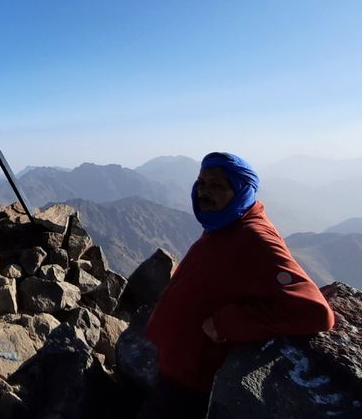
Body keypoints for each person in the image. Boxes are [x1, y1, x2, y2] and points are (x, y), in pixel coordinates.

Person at [141, 152, 335, 419]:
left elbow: (315, 312)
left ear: (241, 190)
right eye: (201, 182)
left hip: (192, 382)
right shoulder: (225, 223)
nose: (204, 192)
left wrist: (225, 324)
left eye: (217, 185)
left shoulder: (254, 236)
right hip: (176, 364)